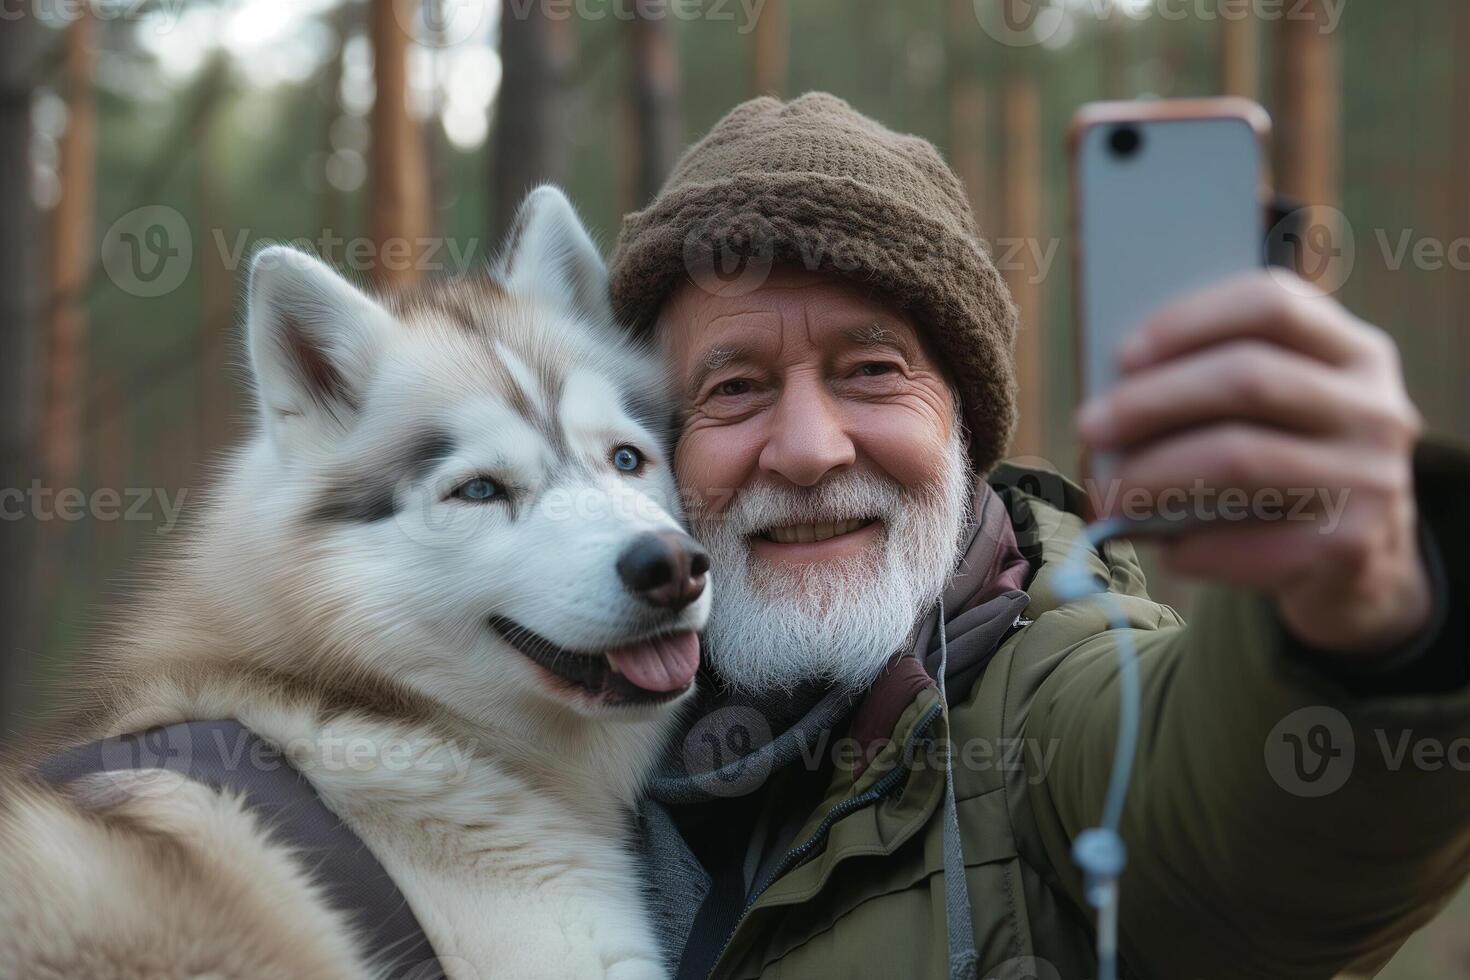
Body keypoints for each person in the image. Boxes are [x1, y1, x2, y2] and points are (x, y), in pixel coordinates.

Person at [604, 93, 1470, 980]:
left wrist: (1376, 621)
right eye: (735, 389)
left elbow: (1255, 847)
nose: (808, 450)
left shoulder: (1052, 706)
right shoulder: (553, 726)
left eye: (871, 372)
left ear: (964, 428)